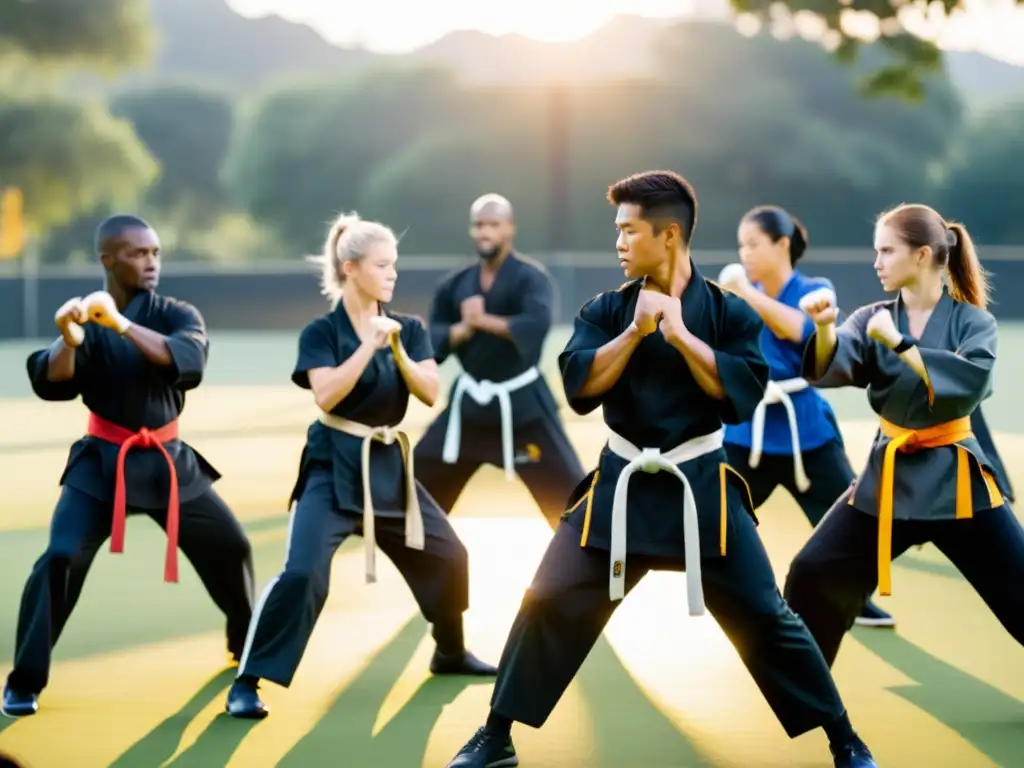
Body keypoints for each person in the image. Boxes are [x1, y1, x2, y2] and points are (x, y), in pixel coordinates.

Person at [446, 172, 877, 768]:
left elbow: (741, 397)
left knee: (766, 615)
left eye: (629, 231)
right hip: (618, 490)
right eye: (617, 231)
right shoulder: (605, 309)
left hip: (701, 490)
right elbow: (579, 389)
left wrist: (679, 335)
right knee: (546, 597)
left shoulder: (729, 313)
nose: (618, 243)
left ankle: (844, 740)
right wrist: (635, 332)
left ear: (669, 235)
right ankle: (496, 735)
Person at [226, 212, 497, 720]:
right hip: (332, 470)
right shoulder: (322, 332)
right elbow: (326, 396)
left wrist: (393, 346)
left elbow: (431, 392)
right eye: (382, 265)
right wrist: (368, 346)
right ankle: (248, 679)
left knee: (450, 555)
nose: (393, 274)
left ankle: (449, 650)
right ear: (351, 268)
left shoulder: (409, 329)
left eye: (395, 264)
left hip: (389, 469)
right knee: (303, 572)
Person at [1, 215, 255, 718]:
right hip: (101, 465)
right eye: (139, 253)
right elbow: (52, 382)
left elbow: (187, 361)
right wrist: (69, 340)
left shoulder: (177, 313)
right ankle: (24, 680)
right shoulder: (85, 322)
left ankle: (245, 647)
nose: (152, 262)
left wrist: (119, 324)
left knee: (232, 546)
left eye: (156, 252)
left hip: (168, 464)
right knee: (59, 557)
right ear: (108, 259)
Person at [784, 203, 1024, 669]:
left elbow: (965, 388)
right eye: (876, 251)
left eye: (887, 251)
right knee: (813, 570)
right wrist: (825, 327)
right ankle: (806, 690)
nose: (876, 262)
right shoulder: (872, 315)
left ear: (922, 255)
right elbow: (835, 366)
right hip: (887, 483)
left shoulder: (974, 322)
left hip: (958, 484)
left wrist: (899, 344)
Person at [719, 205, 894, 629]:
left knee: (852, 518)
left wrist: (747, 294)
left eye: (754, 243)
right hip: (747, 433)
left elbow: (801, 331)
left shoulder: (816, 289)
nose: (745, 253)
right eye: (741, 245)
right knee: (720, 519)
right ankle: (734, 598)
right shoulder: (735, 296)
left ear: (782, 245)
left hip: (807, 433)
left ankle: (856, 599)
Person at [413, 194, 585, 528]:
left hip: (523, 409)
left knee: (572, 502)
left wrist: (483, 321)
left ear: (510, 228)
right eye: (479, 224)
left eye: (493, 224)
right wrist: (462, 329)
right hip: (470, 410)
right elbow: (432, 342)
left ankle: (585, 565)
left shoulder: (532, 278)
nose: (485, 232)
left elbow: (536, 325)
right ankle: (426, 555)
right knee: (414, 489)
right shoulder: (454, 284)